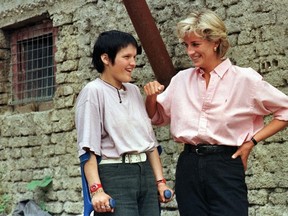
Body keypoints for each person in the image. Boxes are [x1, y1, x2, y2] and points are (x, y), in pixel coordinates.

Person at [144, 9, 288, 216]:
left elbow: (285, 111)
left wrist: (251, 142)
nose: (189, 51)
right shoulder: (181, 80)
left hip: (225, 164)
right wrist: (150, 97)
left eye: (195, 44)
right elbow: (156, 116)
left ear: (215, 42)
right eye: (186, 45)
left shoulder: (244, 79)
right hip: (189, 164)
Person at [75, 30, 173, 216]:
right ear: (105, 58)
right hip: (114, 174)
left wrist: (160, 182)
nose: (133, 63)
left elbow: (149, 143)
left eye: (134, 57)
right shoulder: (93, 92)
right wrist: (97, 190)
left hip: (144, 173)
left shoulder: (134, 91)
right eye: (126, 57)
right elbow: (88, 149)